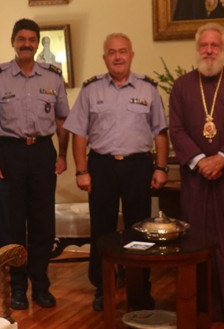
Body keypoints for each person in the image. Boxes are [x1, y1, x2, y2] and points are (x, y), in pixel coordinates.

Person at [64, 33, 169, 312]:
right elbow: (78, 133)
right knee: (102, 230)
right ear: (104, 58)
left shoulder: (148, 88)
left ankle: (140, 289)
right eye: (112, 52)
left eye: (123, 51)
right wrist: (81, 171)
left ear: (131, 55)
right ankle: (103, 287)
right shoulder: (91, 89)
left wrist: (161, 167)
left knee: (140, 229)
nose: (118, 57)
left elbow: (160, 132)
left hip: (138, 166)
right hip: (102, 166)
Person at [168, 23, 224, 324]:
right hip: (197, 179)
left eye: (214, 46)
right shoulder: (182, 86)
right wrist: (199, 161)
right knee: (197, 238)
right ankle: (200, 306)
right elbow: (176, 129)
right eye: (204, 46)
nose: (209, 51)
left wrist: (221, 158)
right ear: (197, 49)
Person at [0, 18, 70, 309]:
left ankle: (41, 285)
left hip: (42, 151)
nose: (26, 44)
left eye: (32, 40)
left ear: (38, 43)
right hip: (10, 152)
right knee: (11, 224)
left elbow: (62, 119)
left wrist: (62, 154)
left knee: (43, 222)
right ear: (13, 42)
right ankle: (17, 287)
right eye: (21, 39)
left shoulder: (53, 76)